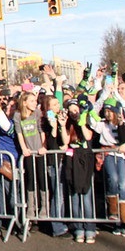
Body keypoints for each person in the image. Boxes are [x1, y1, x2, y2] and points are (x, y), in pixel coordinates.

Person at [88, 93, 125, 237]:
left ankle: (123, 215)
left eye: (109, 111)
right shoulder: (102, 124)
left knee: (123, 184)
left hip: (120, 155)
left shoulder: (123, 124)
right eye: (105, 112)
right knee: (112, 179)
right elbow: (91, 116)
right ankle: (113, 210)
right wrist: (103, 96)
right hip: (108, 155)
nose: (107, 114)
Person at [65, 98, 97, 244]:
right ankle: (79, 228)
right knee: (75, 197)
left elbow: (88, 136)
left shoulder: (85, 119)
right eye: (70, 110)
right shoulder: (68, 123)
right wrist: (60, 124)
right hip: (72, 160)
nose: (73, 112)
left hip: (85, 159)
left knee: (86, 197)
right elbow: (66, 141)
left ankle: (89, 228)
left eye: (75, 109)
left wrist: (81, 120)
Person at [14, 91, 47, 229]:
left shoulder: (38, 113)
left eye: (35, 101)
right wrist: (24, 148)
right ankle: (31, 208)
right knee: (30, 179)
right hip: (28, 152)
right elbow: (20, 133)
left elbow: (42, 131)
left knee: (42, 178)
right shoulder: (18, 115)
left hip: (39, 150)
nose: (35, 103)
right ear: (25, 102)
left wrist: (43, 146)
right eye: (32, 101)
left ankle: (44, 208)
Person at [0, 92, 20, 235]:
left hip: (8, 164)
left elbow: (4, 123)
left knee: (11, 196)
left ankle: (17, 222)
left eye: (12, 107)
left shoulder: (14, 124)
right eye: (7, 106)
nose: (9, 109)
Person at [41, 94, 71, 238]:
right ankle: (57, 226)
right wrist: (53, 128)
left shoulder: (60, 119)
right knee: (57, 194)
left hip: (62, 159)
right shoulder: (45, 122)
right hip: (53, 161)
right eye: (53, 105)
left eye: (57, 104)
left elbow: (65, 142)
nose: (57, 107)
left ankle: (62, 222)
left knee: (61, 194)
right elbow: (52, 144)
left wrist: (62, 126)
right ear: (47, 108)